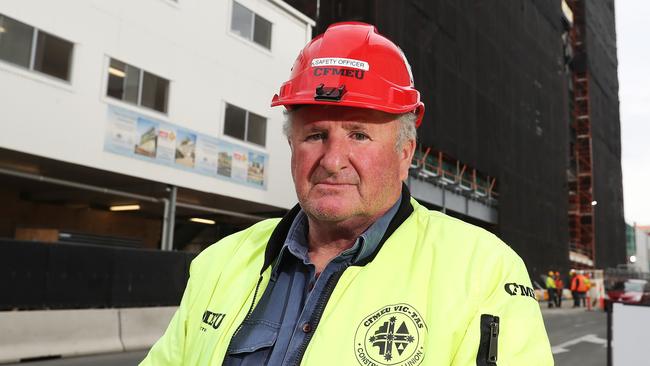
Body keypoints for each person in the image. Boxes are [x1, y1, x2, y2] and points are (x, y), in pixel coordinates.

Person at [141, 22, 553, 365]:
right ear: (291, 146)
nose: (333, 160)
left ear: (404, 150)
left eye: (359, 135)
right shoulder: (219, 264)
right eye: (315, 135)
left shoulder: (482, 270)